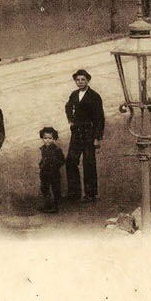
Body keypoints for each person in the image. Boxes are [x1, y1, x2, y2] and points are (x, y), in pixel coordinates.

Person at [64, 68, 106, 203]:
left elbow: (100, 118)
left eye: (83, 79)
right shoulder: (74, 94)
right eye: (78, 80)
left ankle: (91, 194)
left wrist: (97, 137)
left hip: (89, 133)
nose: (80, 82)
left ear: (88, 80)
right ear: (75, 81)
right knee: (71, 161)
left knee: (89, 163)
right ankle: (74, 193)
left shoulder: (94, 96)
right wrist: (70, 119)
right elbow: (68, 106)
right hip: (76, 133)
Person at [38, 126, 66, 213]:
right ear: (42, 138)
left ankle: (55, 206)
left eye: (50, 138)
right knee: (45, 188)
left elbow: (62, 160)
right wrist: (41, 163)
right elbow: (44, 159)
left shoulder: (57, 149)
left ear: (54, 139)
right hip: (45, 172)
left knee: (55, 188)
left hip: (54, 172)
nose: (47, 140)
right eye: (45, 138)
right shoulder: (43, 148)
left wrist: (54, 164)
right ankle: (47, 204)